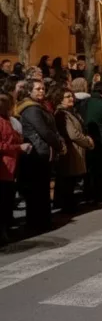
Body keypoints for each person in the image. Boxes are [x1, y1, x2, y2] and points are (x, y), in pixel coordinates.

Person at [16, 79, 63, 230]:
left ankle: (42, 220)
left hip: (42, 151)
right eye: (37, 89)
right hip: (37, 152)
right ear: (29, 91)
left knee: (42, 188)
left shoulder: (39, 106)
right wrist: (58, 144)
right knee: (37, 189)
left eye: (42, 88)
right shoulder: (31, 109)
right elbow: (43, 130)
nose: (41, 91)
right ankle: (37, 222)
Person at [54, 87, 94, 213]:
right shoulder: (62, 114)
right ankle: (67, 205)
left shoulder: (71, 112)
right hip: (70, 150)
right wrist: (87, 141)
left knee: (71, 179)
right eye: (67, 97)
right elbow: (73, 134)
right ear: (60, 99)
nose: (71, 98)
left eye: (71, 96)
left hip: (76, 149)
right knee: (67, 179)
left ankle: (68, 203)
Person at [0, 94, 30, 244]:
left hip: (10, 165)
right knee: (4, 201)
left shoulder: (7, 121)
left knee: (7, 199)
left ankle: (6, 229)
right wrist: (19, 147)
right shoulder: (1, 122)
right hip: (4, 166)